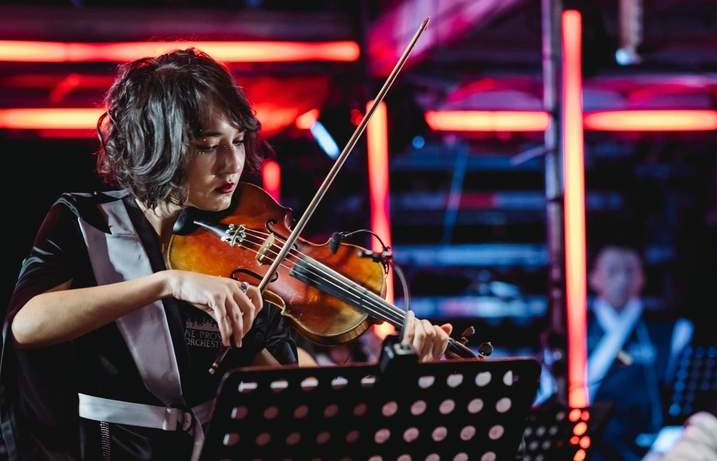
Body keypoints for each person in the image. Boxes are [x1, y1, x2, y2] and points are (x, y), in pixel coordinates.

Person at [0, 48, 452, 461]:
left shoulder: (240, 249)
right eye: (207, 146)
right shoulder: (85, 220)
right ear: (155, 145)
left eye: (237, 141)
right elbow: (26, 324)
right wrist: (168, 282)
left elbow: (313, 399)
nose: (232, 163)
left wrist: (403, 377)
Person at [586, 243, 694, 461]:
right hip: (591, 448)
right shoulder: (574, 333)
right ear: (593, 278)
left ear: (642, 278)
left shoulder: (670, 333)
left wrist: (664, 446)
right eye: (613, 271)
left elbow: (683, 401)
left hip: (652, 451)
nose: (622, 280)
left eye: (630, 271)